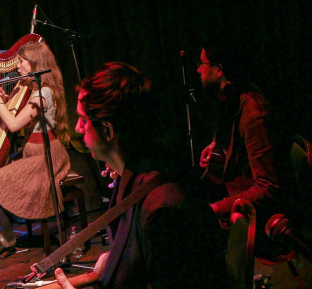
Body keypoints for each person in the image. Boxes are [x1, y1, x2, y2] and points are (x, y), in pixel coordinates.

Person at [56, 62, 228, 289]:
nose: (78, 128)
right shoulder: (139, 174)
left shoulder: (162, 208)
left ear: (107, 130)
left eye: (84, 120)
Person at [196, 41, 296, 258]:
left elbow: (268, 187)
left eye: (202, 63)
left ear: (219, 69)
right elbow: (229, 136)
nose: (198, 69)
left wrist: (215, 209)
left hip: (256, 219)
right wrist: (215, 147)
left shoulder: (254, 115)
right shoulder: (230, 96)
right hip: (235, 198)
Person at [0, 41, 71, 254]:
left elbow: (15, 124)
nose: (17, 66)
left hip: (45, 157)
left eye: (20, 61)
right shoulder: (35, 87)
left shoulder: (42, 93)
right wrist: (2, 97)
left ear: (34, 63)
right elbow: (21, 113)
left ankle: (7, 236)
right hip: (33, 153)